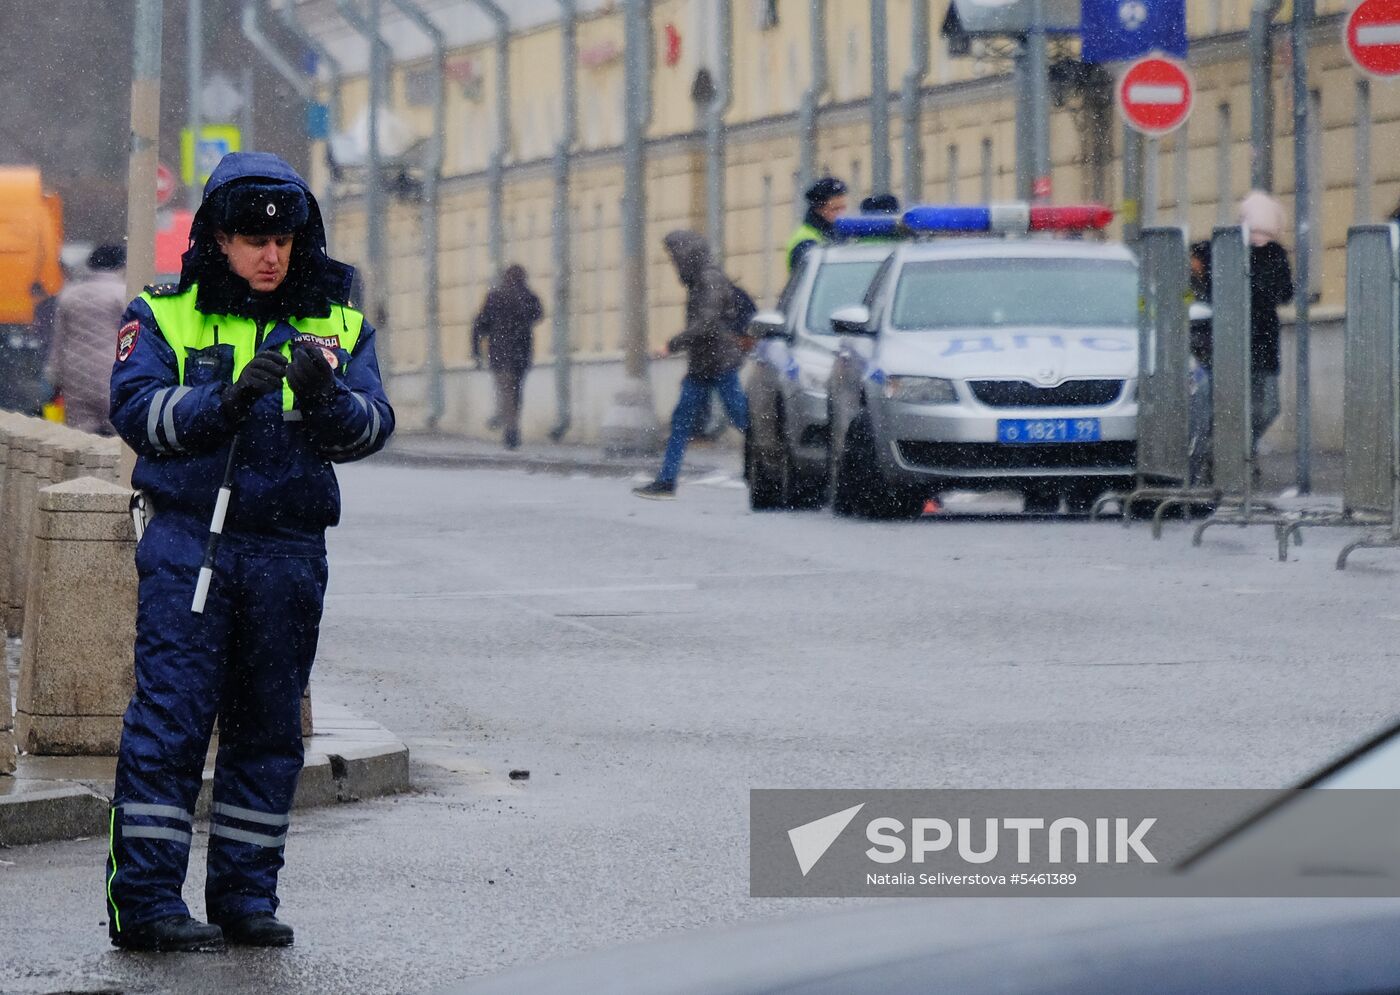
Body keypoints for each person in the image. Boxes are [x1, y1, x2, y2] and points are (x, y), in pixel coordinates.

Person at [105, 151, 394, 952]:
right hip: (191, 545)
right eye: (250, 240)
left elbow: (374, 427)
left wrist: (329, 400)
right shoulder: (165, 312)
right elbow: (134, 410)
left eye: (284, 240)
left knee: (269, 733)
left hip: (290, 551)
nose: (270, 255)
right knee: (169, 724)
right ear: (217, 239)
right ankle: (148, 903)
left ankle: (244, 897)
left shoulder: (337, 322)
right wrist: (221, 402)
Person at [633, 230, 749, 500]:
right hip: (704, 364)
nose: (674, 263)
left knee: (741, 417)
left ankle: (773, 465)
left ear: (687, 255)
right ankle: (666, 481)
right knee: (682, 421)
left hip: (719, 363)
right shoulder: (700, 279)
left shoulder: (708, 279)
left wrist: (671, 345)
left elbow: (706, 325)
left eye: (675, 257)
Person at [45, 243, 127, 434]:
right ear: (120, 265)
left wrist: (55, 377)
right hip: (113, 374)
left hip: (75, 374)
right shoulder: (123, 294)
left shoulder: (70, 295)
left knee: (81, 435)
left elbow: (59, 341)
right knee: (119, 437)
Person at [1237, 190, 1294, 455]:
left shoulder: (1275, 254)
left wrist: (1263, 287)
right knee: (1245, 405)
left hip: (1265, 341)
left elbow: (1285, 292)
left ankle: (1243, 448)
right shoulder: (1235, 251)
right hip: (1240, 342)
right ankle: (1240, 452)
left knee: (1269, 405)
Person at [471, 264, 543, 449]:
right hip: (521, 354)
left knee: (506, 392)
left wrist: (476, 352)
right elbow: (538, 315)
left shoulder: (495, 297)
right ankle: (510, 425)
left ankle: (509, 426)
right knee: (516, 392)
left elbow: (480, 325)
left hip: (499, 354)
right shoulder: (527, 296)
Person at [785, 176, 848, 273]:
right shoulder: (805, 242)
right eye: (835, 209)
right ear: (819, 209)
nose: (841, 214)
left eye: (843, 208)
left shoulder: (840, 233)